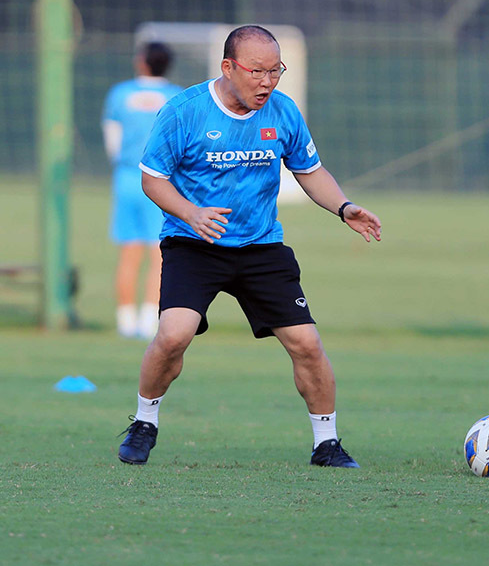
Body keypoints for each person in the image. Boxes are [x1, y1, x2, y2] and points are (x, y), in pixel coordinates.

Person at [117, 25, 381, 468]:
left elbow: (310, 170)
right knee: (173, 335)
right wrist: (191, 212)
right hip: (194, 242)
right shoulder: (184, 111)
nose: (267, 81)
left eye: (275, 70)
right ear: (228, 67)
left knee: (307, 343)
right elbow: (152, 178)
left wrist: (344, 206)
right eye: (256, 71)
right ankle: (145, 423)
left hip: (261, 247)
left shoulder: (282, 112)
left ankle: (327, 443)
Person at [102, 42, 182, 339]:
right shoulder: (177, 97)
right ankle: (149, 321)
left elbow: (112, 140)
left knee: (129, 252)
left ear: (141, 62)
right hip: (162, 182)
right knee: (159, 253)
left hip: (127, 177)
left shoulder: (120, 94)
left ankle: (125, 322)